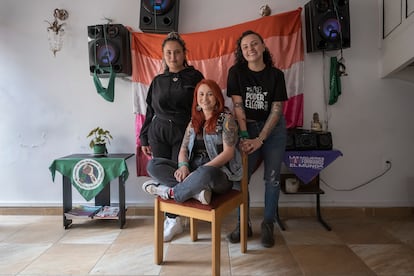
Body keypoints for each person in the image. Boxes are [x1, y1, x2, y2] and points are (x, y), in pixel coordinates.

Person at [142, 79, 242, 238]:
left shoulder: (226, 120)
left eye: (210, 94)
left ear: (217, 98)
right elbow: (183, 149)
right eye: (201, 94)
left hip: (218, 175)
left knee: (205, 174)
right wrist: (183, 166)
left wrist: (201, 171)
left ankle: (173, 192)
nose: (205, 98)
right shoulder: (194, 122)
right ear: (196, 98)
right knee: (153, 164)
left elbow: (228, 153)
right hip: (194, 172)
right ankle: (196, 193)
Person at [139, 32, 204, 241]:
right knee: (159, 173)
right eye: (168, 53)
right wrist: (144, 137)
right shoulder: (158, 80)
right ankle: (173, 218)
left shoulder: (195, 77)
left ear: (184, 53)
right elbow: (149, 110)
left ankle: (178, 215)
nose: (173, 56)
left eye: (177, 52)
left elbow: (202, 106)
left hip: (183, 131)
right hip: (158, 131)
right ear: (163, 55)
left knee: (179, 172)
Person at [226, 30, 288, 248]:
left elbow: (277, 109)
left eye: (254, 44)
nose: (250, 49)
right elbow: (238, 106)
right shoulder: (236, 72)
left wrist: (260, 139)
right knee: (240, 178)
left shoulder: (276, 75)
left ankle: (268, 224)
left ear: (263, 46)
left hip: (274, 131)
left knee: (272, 179)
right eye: (245, 47)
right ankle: (244, 224)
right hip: (247, 128)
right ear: (241, 52)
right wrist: (245, 136)